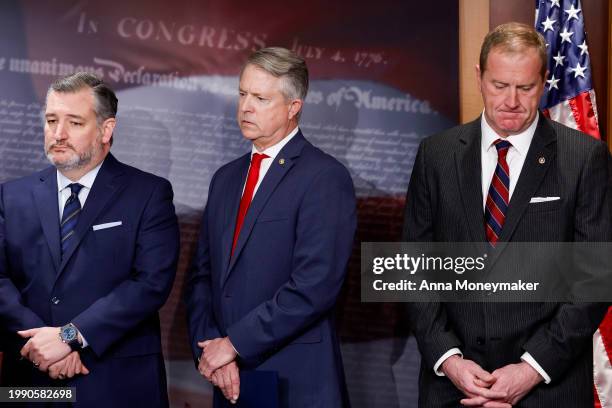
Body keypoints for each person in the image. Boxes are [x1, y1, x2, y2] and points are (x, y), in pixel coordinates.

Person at [403, 23, 611, 407]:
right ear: (479, 77)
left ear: (544, 81)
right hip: (453, 389)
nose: (511, 100)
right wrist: (449, 360)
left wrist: (531, 368)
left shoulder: (584, 159)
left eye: (525, 87)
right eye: (499, 85)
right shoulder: (436, 154)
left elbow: (594, 280)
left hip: (548, 389)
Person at [184, 47, 357, 407]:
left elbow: (315, 285)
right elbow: (202, 275)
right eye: (243, 94)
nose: (246, 106)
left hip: (295, 381)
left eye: (261, 98)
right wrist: (211, 350)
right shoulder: (225, 179)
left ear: (294, 107)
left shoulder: (324, 177)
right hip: (228, 380)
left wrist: (233, 344)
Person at [0, 72, 180, 407]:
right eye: (51, 120)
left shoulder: (148, 194)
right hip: (29, 384)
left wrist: (69, 337)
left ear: (106, 129)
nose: (58, 134)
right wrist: (44, 345)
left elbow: (150, 284)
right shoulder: (10, 196)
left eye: (75, 123)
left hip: (114, 385)